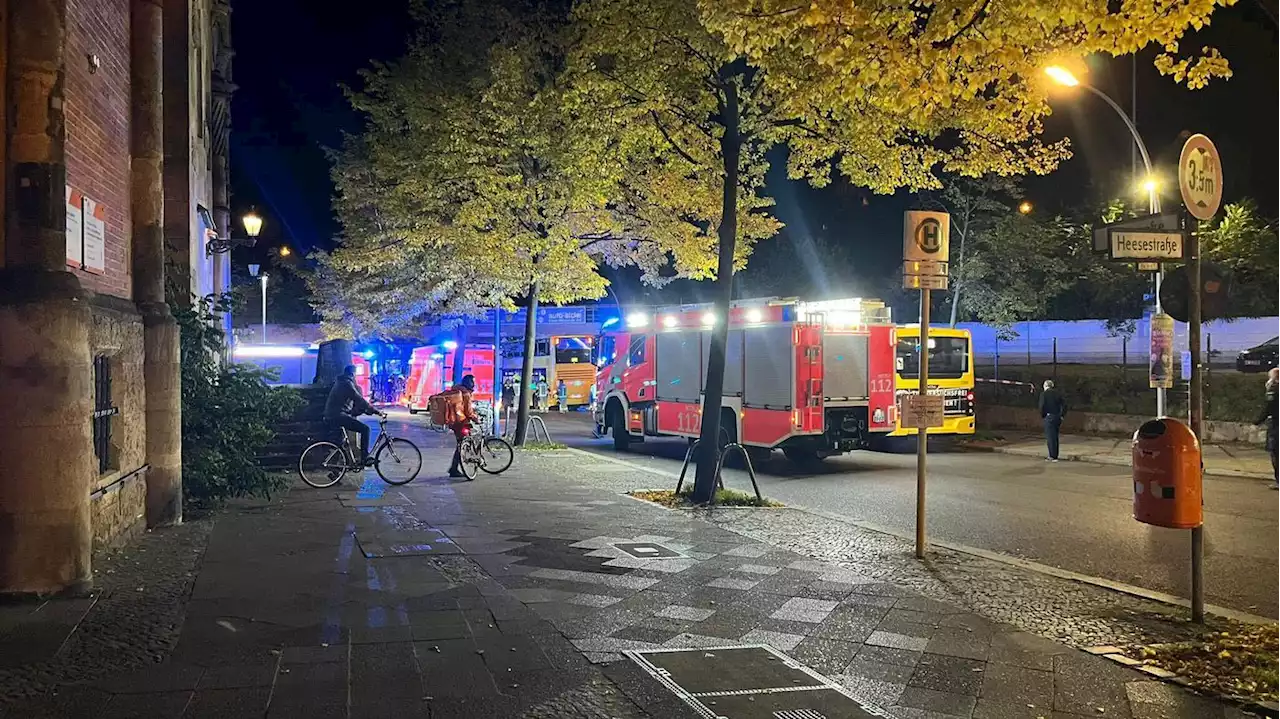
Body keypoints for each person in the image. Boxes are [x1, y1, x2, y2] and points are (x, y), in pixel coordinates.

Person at [324, 365, 384, 466]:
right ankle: (364, 457)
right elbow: (358, 399)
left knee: (340, 443)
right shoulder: (347, 384)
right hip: (338, 415)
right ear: (352, 374)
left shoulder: (341, 382)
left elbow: (352, 404)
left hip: (334, 414)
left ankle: (336, 470)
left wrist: (365, 410)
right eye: (355, 374)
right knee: (365, 429)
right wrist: (376, 411)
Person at [447, 374, 481, 477]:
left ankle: (454, 468)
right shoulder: (465, 394)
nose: (474, 384)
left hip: (454, 421)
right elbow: (468, 412)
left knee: (460, 443)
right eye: (473, 381)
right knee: (462, 444)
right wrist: (476, 418)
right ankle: (454, 469)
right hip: (462, 422)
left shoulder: (457, 390)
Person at [1255, 368, 1280, 490]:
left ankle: (1278, 481)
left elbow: (1269, 407)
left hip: (1276, 426)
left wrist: (1257, 421)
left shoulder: (1274, 390)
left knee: (1275, 454)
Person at [1038, 379, 1067, 462]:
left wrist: (1043, 415)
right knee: (1055, 436)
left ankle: (1052, 456)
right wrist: (1062, 415)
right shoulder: (1057, 393)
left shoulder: (1044, 394)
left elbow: (1041, 406)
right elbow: (1064, 405)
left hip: (1049, 417)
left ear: (1045, 386)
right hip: (1057, 417)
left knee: (1050, 437)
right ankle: (1055, 455)